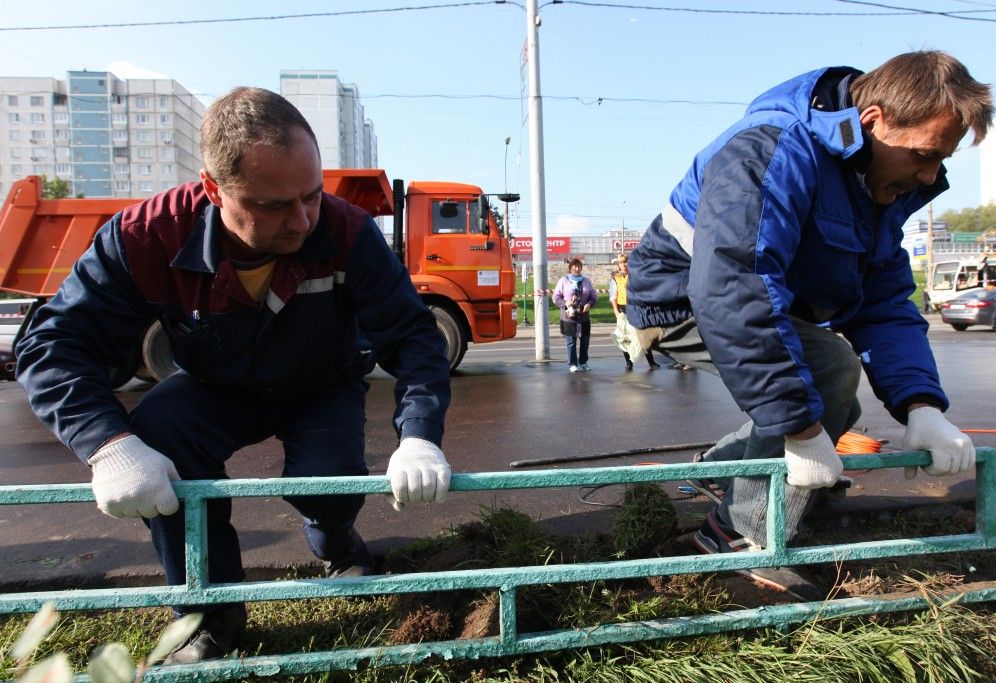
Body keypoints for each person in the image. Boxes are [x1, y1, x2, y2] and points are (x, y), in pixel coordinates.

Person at [15, 87, 453, 663]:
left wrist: (419, 435)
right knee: (158, 431)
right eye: (273, 206)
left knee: (329, 490)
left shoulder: (347, 233)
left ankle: (336, 539)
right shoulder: (147, 238)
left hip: (322, 385)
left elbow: (415, 337)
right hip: (215, 387)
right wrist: (108, 445)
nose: (301, 221)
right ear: (213, 189)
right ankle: (208, 616)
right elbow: (51, 343)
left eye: (312, 195)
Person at [626, 51, 990, 599]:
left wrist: (922, 407)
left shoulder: (877, 184)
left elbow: (886, 302)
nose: (931, 175)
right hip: (679, 295)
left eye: (942, 160)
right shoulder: (773, 147)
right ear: (873, 122)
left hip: (762, 296)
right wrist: (798, 431)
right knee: (826, 372)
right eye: (923, 155)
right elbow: (734, 283)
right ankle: (739, 534)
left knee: (833, 400)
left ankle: (722, 469)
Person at [609, 253, 659, 371]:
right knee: (624, 336)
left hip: (636, 308)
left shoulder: (636, 276)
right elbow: (613, 298)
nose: (624, 264)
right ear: (618, 265)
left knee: (642, 335)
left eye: (625, 261)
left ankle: (651, 362)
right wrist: (617, 312)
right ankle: (629, 363)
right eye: (621, 262)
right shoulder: (615, 279)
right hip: (623, 309)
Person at [553, 258, 598, 372]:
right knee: (571, 341)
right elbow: (556, 297)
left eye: (579, 267)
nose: (577, 269)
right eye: (575, 267)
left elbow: (593, 296)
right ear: (570, 268)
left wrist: (590, 304)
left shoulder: (586, 281)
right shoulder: (563, 281)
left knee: (585, 341)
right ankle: (573, 363)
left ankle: (583, 362)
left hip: (584, 316)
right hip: (569, 317)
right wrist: (565, 304)